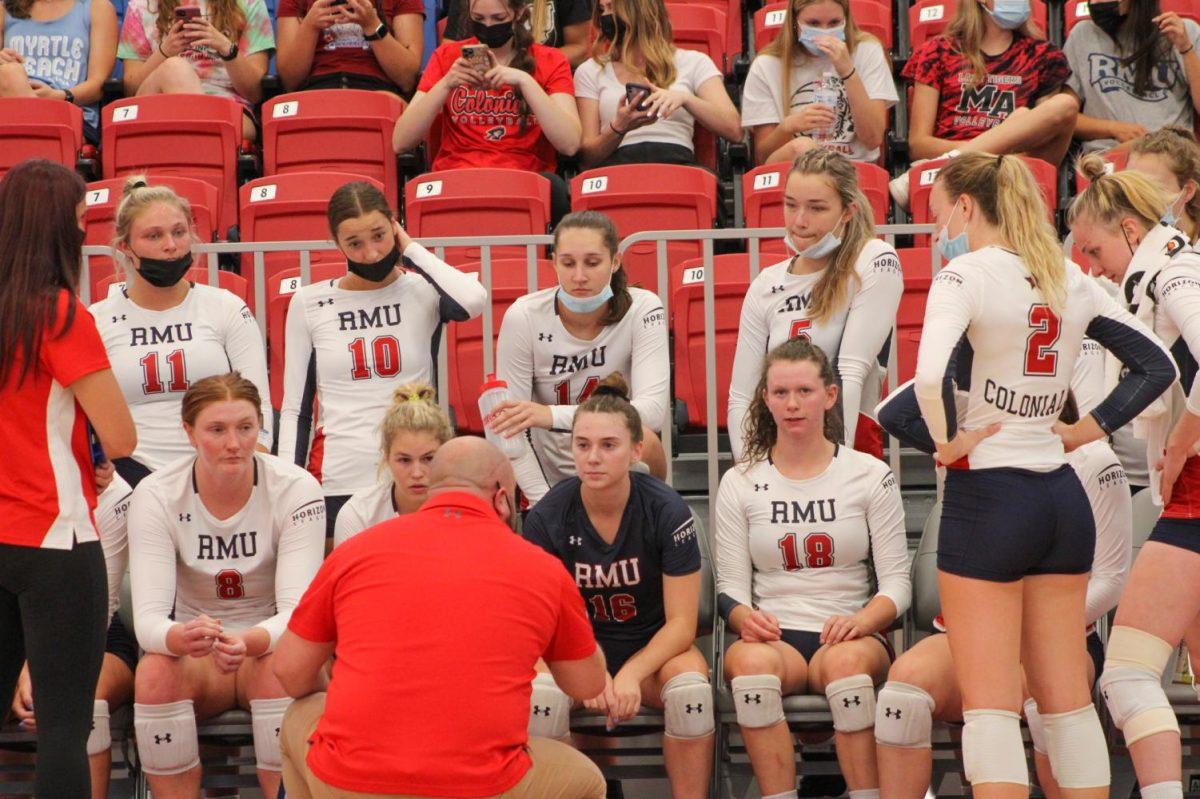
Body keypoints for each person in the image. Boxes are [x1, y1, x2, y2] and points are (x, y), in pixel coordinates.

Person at [911, 152, 1176, 798]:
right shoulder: (1067, 275)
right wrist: (1091, 425)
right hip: (1062, 497)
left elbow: (925, 378)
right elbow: (1158, 365)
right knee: (1066, 703)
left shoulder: (963, 274)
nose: (938, 224)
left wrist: (948, 441)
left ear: (968, 207)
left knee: (992, 706)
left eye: (940, 210)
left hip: (991, 495)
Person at [272, 436, 609, 799]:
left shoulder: (355, 550)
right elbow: (587, 685)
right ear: (501, 498)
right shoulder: (542, 568)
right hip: (479, 785)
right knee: (588, 781)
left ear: (432, 490)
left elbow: (289, 671)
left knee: (299, 714)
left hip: (349, 781)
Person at [873, 386, 1132, 799]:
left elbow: (1112, 579)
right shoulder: (973, 446)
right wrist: (965, 355)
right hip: (974, 632)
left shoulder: (1092, 458)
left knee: (1045, 705)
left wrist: (1028, 623)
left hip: (1063, 633)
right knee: (901, 698)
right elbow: (892, 412)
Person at [716, 338, 910, 799]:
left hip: (849, 632)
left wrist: (862, 621)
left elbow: (898, 584)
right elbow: (729, 589)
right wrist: (746, 619)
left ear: (829, 396)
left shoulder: (868, 474)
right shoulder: (740, 480)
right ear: (765, 398)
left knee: (846, 668)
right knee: (749, 668)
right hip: (774, 634)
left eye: (804, 390)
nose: (792, 404)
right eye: (780, 392)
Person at [0, 158, 137, 798]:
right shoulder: (58, 313)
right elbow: (123, 437)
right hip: (53, 537)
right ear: (60, 228)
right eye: (83, 220)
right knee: (61, 729)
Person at [1068, 157, 1200, 799]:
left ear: (1128, 228)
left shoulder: (1172, 271)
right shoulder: (1170, 266)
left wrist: (1183, 434)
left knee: (1125, 675)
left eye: (1095, 249)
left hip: (1198, 486)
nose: (1093, 266)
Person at [128, 372, 326, 799]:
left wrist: (252, 640)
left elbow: (299, 612)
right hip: (198, 653)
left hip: (267, 645)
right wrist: (178, 637)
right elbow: (148, 621)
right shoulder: (156, 494)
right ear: (189, 433)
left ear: (260, 428)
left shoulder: (297, 489)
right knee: (154, 672)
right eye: (217, 430)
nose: (234, 443)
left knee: (285, 669)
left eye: (245, 427)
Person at [523, 373, 713, 799]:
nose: (593, 458)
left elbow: (683, 624)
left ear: (636, 451)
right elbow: (541, 629)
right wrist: (589, 674)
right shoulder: (547, 518)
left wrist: (629, 674)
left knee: (691, 696)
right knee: (541, 700)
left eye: (609, 446)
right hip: (575, 656)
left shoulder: (666, 509)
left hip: (654, 653)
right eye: (583, 445)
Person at [278, 180, 485, 537]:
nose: (371, 253)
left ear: (394, 224)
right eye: (354, 244)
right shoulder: (309, 303)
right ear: (335, 244)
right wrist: (285, 484)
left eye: (379, 235)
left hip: (415, 471)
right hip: (339, 473)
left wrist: (411, 250)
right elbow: (296, 407)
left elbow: (473, 301)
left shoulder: (423, 289)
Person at [91, 176, 272, 488]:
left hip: (218, 469)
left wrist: (244, 475)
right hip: (127, 476)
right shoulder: (98, 320)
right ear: (125, 247)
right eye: (154, 236)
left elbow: (259, 407)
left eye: (179, 232)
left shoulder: (227, 308)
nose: (171, 245)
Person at [727, 148, 903, 461]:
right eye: (790, 205)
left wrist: (838, 469)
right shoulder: (766, 283)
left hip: (851, 448)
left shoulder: (873, 259)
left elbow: (850, 374)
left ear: (847, 212)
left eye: (816, 208)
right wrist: (749, 467)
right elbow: (742, 394)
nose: (799, 221)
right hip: (781, 450)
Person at [490, 210, 669, 506]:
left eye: (593, 262)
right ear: (554, 263)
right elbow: (510, 431)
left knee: (646, 437)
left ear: (615, 261)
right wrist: (542, 502)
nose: (579, 276)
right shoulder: (523, 315)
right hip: (550, 472)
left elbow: (651, 412)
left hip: (619, 464)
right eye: (568, 263)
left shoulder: (644, 307)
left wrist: (548, 415)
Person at [7, 472, 136, 799]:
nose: (102, 463)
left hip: (97, 633)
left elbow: (98, 608)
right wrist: (21, 668)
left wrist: (34, 669)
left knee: (75, 702)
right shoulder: (16, 489)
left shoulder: (117, 495)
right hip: (16, 629)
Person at [392, 0, 580, 221]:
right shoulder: (446, 57)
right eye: (479, 19)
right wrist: (445, 84)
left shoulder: (550, 60)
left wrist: (525, 81)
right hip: (457, 179)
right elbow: (400, 142)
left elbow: (570, 144)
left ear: (519, 13)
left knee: (555, 189)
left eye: (499, 19)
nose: (488, 26)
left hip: (523, 181)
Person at [892, 0, 1077, 209]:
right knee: (1021, 115)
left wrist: (987, 153)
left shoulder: (1044, 56)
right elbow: (918, 145)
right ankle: (956, 161)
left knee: (1064, 105)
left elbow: (1045, 138)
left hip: (1014, 167)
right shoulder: (937, 51)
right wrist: (987, 153)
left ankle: (950, 161)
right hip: (962, 172)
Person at [574, 0, 741, 169]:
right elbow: (586, 159)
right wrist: (619, 127)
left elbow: (734, 130)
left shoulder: (694, 61)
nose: (604, 17)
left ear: (639, 11)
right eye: (601, 10)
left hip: (677, 164)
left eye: (611, 8)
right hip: (617, 169)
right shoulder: (590, 70)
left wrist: (685, 99)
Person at [740, 0, 896, 166]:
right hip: (794, 171)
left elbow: (873, 139)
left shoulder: (867, 50)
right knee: (802, 147)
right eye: (813, 23)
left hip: (854, 168)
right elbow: (764, 157)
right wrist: (788, 126)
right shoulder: (766, 64)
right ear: (794, 21)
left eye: (834, 23)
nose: (825, 32)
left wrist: (848, 71)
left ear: (846, 19)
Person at [117, 0, 274, 141]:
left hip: (229, 109)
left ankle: (197, 141)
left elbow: (255, 92)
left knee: (176, 69)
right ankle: (204, 144)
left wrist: (225, 47)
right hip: (158, 106)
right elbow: (131, 91)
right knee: (175, 68)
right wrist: (165, 51)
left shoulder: (249, 4)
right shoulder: (141, 6)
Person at [1065, 1, 1200, 156]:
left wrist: (1186, 49)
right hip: (1109, 160)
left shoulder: (1184, 32)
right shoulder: (1082, 34)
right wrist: (1113, 128)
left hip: (1172, 155)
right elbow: (1067, 119)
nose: (1097, 3)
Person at [331, 380, 453, 546]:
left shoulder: (467, 509)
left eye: (429, 458)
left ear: (446, 453)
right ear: (386, 457)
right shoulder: (359, 515)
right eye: (404, 460)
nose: (417, 473)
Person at [0, 0, 118, 145]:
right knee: (9, 73)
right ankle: (43, 144)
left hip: (70, 114)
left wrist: (60, 96)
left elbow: (98, 84)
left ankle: (39, 142)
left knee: (9, 74)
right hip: (10, 109)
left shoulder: (97, 8)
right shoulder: (4, 10)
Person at [275, 0, 425, 95]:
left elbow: (407, 79)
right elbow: (290, 81)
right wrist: (310, 26)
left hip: (379, 90)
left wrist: (372, 25)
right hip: (315, 90)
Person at [442, 0, 593, 68]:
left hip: (543, 82)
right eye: (479, 18)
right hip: (481, 85)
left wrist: (519, 66)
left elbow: (581, 49)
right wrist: (487, 68)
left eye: (499, 18)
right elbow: (449, 50)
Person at [1128, 126, 1200, 244]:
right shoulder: (1127, 242)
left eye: (1154, 188)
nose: (1139, 200)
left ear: (1188, 191)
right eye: (1132, 188)